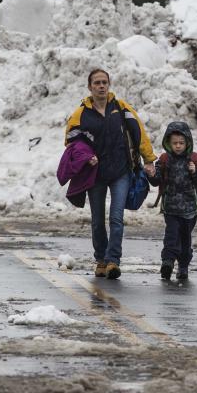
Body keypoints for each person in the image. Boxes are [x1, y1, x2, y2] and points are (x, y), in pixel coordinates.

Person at [65, 69, 156, 280]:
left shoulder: (121, 108)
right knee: (97, 220)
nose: (101, 86)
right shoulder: (81, 113)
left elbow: (139, 132)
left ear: (109, 85)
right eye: (96, 82)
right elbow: (71, 142)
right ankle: (100, 260)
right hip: (94, 174)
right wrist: (86, 157)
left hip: (120, 171)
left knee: (116, 218)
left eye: (104, 82)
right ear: (90, 87)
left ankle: (113, 260)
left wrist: (149, 159)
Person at [148, 121, 197, 281]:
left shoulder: (194, 158)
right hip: (170, 208)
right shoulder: (164, 159)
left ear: (187, 142)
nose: (178, 146)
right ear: (168, 143)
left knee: (185, 240)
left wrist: (196, 171)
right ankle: (168, 262)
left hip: (190, 210)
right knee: (171, 236)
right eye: (175, 143)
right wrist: (150, 173)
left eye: (181, 143)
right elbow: (156, 181)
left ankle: (183, 267)